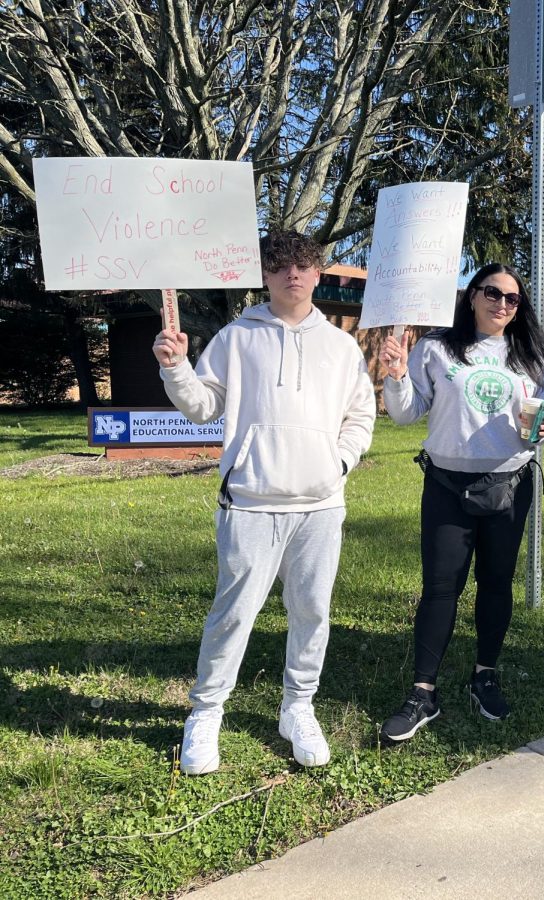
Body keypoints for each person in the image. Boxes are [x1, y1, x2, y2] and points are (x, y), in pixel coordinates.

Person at [153, 230, 376, 775]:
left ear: (318, 273)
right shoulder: (236, 337)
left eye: (302, 265)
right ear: (266, 276)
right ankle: (206, 714)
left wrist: (338, 464)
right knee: (233, 614)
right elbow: (203, 408)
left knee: (312, 612)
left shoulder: (341, 346)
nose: (292, 275)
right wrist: (176, 367)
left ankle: (297, 707)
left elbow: (360, 417)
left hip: (321, 506)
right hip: (250, 503)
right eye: (279, 266)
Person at [377, 263, 544, 743]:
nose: (502, 304)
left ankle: (485, 674)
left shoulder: (531, 357)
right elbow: (405, 413)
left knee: (495, 585)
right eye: (492, 293)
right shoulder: (436, 347)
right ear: (472, 296)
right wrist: (395, 377)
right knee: (440, 587)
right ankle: (422, 692)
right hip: (447, 486)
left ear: (520, 308)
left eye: (512, 299)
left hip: (507, 485)